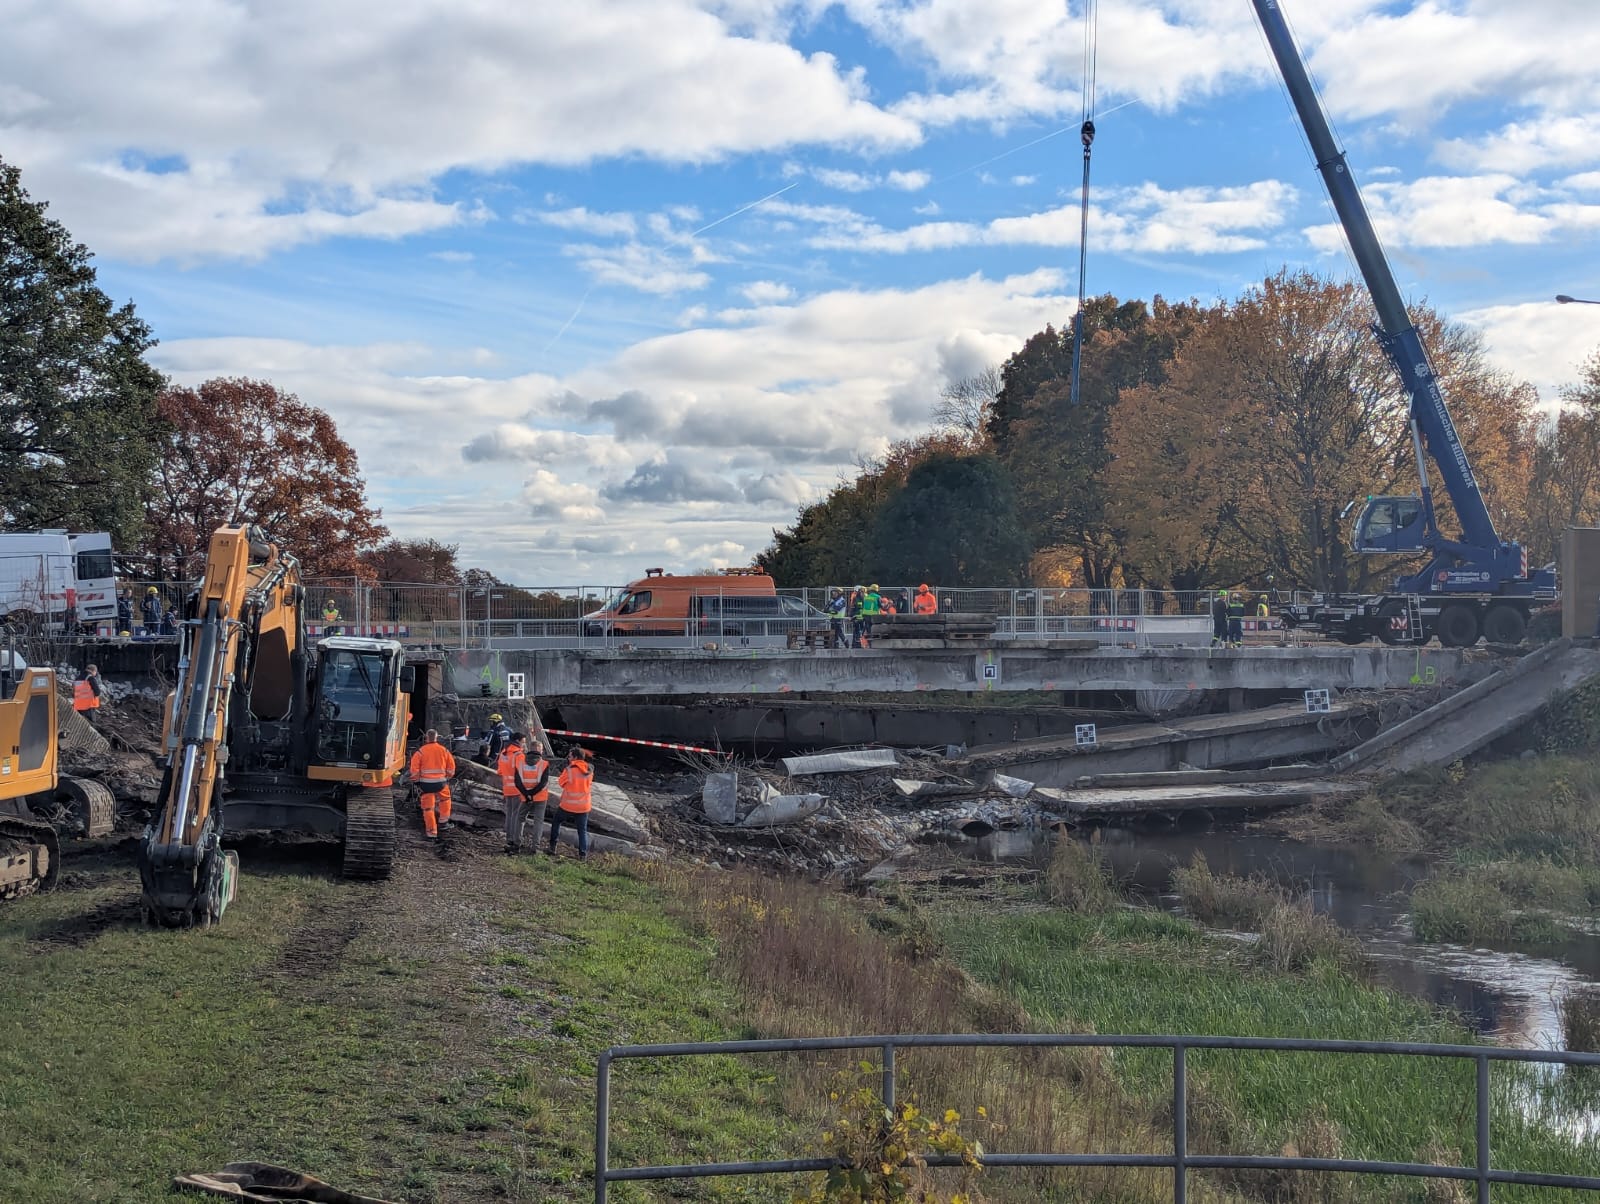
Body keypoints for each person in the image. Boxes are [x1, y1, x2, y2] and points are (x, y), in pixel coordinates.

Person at [408, 728, 456, 839]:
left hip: (425, 785)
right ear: (436, 737)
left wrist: (417, 781)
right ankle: (443, 823)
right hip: (441, 783)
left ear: (426, 738)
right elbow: (451, 769)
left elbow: (414, 770)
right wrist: (446, 778)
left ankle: (431, 832)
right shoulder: (444, 751)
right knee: (445, 800)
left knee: (428, 808)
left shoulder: (420, 752)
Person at [507, 739, 552, 855]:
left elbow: (517, 782)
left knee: (520, 819)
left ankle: (516, 844)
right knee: (538, 822)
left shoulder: (520, 763)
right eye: (542, 749)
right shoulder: (544, 764)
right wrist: (532, 794)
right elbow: (543, 782)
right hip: (540, 797)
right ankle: (535, 847)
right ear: (539, 750)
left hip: (525, 797)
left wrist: (527, 794)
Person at [550, 747, 595, 857]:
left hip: (568, 805)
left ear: (575, 757)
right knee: (582, 831)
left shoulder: (569, 769)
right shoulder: (589, 770)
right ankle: (582, 855)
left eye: (570, 756)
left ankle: (552, 847)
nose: (568, 758)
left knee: (556, 823)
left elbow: (561, 783)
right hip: (583, 806)